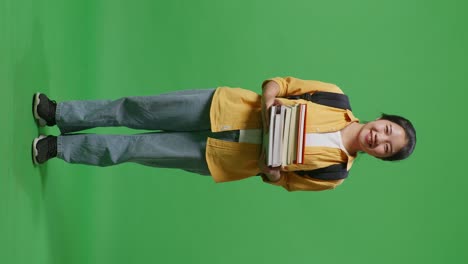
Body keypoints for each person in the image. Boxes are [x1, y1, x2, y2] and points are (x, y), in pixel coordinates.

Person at [31, 77, 417, 191]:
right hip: (222, 107)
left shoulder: (335, 175)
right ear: (382, 119)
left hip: (221, 157)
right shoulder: (335, 97)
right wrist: (271, 109)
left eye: (386, 147)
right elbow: (277, 83)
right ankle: (59, 112)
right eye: (387, 130)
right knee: (135, 109)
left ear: (382, 157)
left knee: (134, 148)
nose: (379, 138)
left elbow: (279, 181)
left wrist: (272, 170)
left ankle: (57, 147)